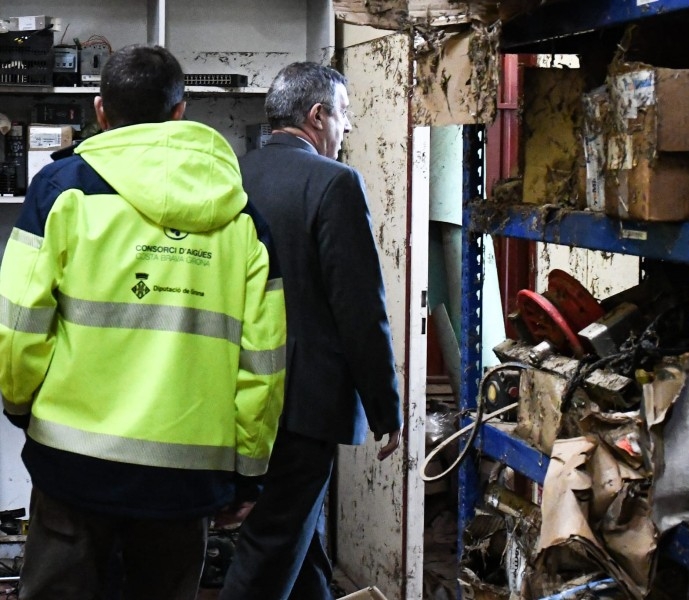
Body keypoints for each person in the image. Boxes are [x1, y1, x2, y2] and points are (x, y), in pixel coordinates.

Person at [0, 44, 286, 600]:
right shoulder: (244, 218)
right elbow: (264, 363)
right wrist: (249, 470)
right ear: (180, 113)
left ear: (100, 111)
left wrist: (18, 405)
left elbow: (17, 325)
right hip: (186, 478)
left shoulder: (62, 192)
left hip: (72, 462)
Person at [219, 61, 403, 600]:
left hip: (239, 391)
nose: (346, 130)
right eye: (344, 116)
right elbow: (359, 307)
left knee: (299, 541)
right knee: (270, 548)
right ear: (318, 116)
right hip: (304, 402)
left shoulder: (233, 177)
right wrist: (385, 407)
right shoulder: (335, 182)